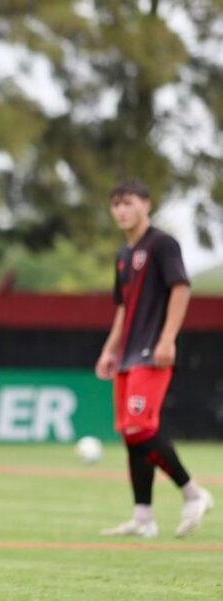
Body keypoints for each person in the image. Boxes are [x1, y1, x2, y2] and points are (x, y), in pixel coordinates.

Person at [95, 180, 213, 538]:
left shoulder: (162, 245)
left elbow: (181, 287)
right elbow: (123, 307)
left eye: (128, 202)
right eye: (116, 204)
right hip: (127, 354)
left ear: (147, 204)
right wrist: (110, 349)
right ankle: (143, 517)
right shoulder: (123, 254)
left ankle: (193, 493)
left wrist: (167, 338)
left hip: (151, 352)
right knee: (131, 435)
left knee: (140, 428)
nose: (121, 210)